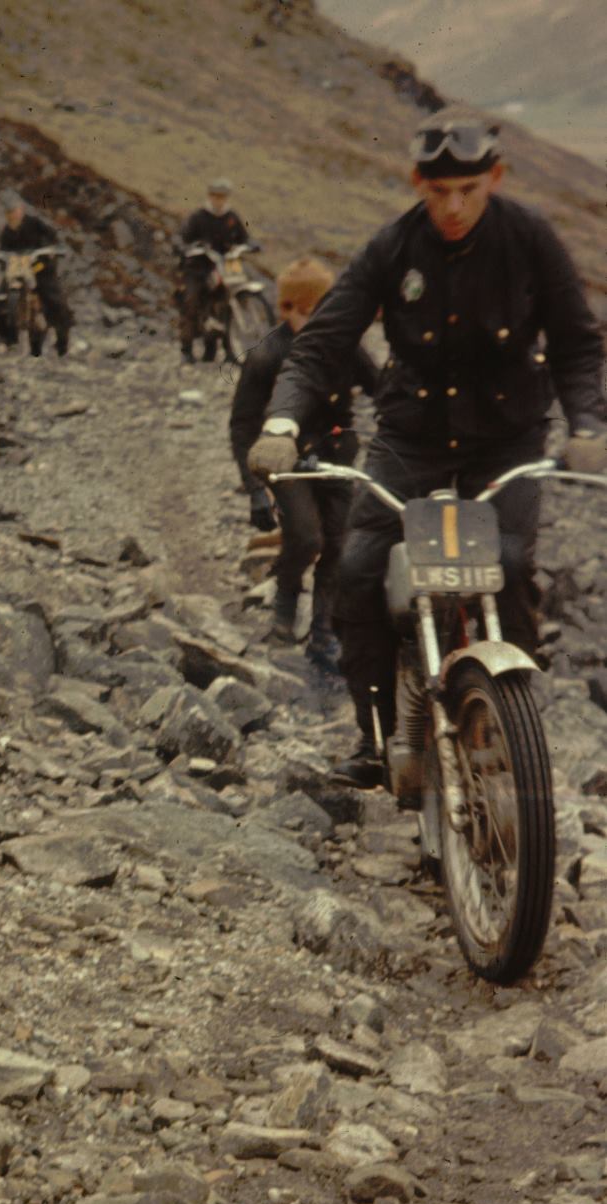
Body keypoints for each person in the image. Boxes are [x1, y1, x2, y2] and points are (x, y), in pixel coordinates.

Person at [248, 108, 606, 786]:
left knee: (509, 564)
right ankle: (376, 737)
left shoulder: (530, 239)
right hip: (411, 439)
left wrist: (587, 424)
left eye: (468, 189)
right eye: (439, 191)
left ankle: (511, 725)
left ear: (495, 177)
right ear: (417, 182)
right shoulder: (393, 248)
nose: (453, 207)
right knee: (359, 568)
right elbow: (321, 343)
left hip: (506, 438)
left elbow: (577, 343)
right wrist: (282, 424)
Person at [230, 256, 379, 671]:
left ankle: (323, 630)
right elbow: (243, 425)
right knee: (306, 536)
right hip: (287, 461)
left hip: (336, 457)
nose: (321, 320)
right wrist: (255, 489)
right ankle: (284, 608)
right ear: (287, 308)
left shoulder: (346, 346)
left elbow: (381, 388)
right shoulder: (265, 356)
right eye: (311, 312)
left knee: (338, 542)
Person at [177, 178, 251, 362]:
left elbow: (244, 237)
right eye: (215, 196)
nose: (218, 200)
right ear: (209, 196)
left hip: (224, 267)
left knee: (227, 301)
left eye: (222, 196)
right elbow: (184, 238)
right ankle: (186, 349)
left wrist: (249, 246)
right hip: (198, 268)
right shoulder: (198, 216)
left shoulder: (231, 217)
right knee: (192, 300)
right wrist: (191, 248)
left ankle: (227, 350)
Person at [0, 189, 73, 357]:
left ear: (21, 210)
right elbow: (3, 254)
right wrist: (4, 262)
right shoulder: (7, 232)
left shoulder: (35, 224)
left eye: (14, 211)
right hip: (18, 270)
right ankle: (7, 338)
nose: (12, 215)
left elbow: (53, 238)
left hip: (40, 268)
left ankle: (62, 342)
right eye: (9, 212)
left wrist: (53, 250)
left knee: (55, 301)